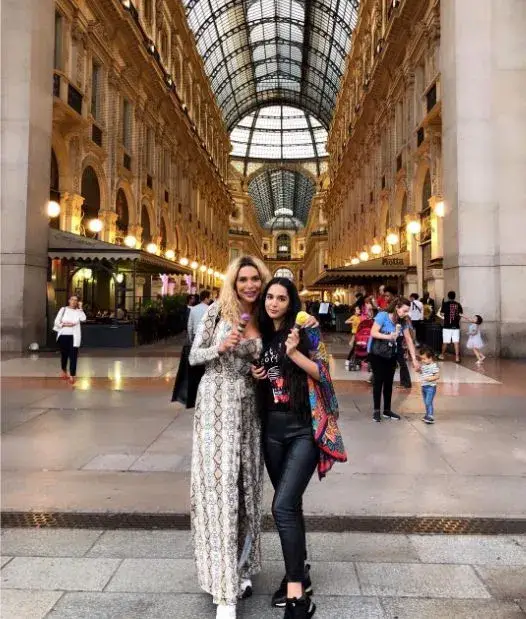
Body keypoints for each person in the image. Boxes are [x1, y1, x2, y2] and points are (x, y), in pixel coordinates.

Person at [251, 277, 347, 619]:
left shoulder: (306, 331)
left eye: (281, 298)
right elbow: (267, 378)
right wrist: (257, 374)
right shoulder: (262, 335)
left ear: (291, 302)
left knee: (281, 507)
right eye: (269, 297)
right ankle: (300, 572)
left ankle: (297, 596)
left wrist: (293, 353)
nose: (273, 303)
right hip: (272, 430)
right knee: (290, 505)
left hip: (302, 428)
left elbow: (323, 374)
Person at [368, 298, 420, 422]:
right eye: (404, 310)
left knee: (389, 382)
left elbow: (408, 339)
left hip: (391, 353)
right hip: (377, 353)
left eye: (407, 311)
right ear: (397, 307)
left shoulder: (403, 321)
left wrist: (414, 359)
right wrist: (388, 336)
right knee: (378, 381)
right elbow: (373, 332)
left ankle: (387, 410)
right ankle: (376, 411)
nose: (406, 313)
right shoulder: (383, 316)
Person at [53, 295, 86, 385]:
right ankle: (64, 370)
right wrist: (65, 325)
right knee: (64, 355)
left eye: (76, 300)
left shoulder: (78, 311)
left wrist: (81, 308)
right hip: (63, 335)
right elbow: (56, 322)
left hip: (74, 337)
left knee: (73, 356)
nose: (74, 301)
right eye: (72, 299)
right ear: (69, 300)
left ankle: (72, 375)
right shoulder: (63, 309)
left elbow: (83, 319)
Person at [437, 291, 464, 362]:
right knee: (456, 342)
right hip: (456, 326)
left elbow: (442, 314)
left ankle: (442, 355)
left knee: (445, 342)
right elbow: (461, 315)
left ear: (448, 296)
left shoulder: (445, 304)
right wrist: (457, 320)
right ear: (454, 296)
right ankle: (457, 358)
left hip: (447, 326)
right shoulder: (458, 304)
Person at [419, 346, 440, 424]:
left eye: (424, 359)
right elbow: (422, 372)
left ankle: (430, 416)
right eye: (421, 359)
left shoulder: (434, 366)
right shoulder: (424, 365)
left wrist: (430, 378)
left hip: (430, 387)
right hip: (424, 387)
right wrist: (419, 370)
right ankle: (427, 415)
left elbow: (437, 376)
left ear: (430, 358)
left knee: (428, 402)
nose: (422, 360)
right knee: (426, 402)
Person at [345, 305, 362, 370]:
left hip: (360, 334)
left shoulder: (360, 317)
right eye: (357, 309)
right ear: (354, 311)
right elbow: (346, 321)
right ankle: (348, 359)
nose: (359, 310)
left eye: (359, 309)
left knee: (358, 348)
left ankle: (357, 361)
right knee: (354, 348)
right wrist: (352, 321)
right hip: (355, 334)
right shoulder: (353, 317)